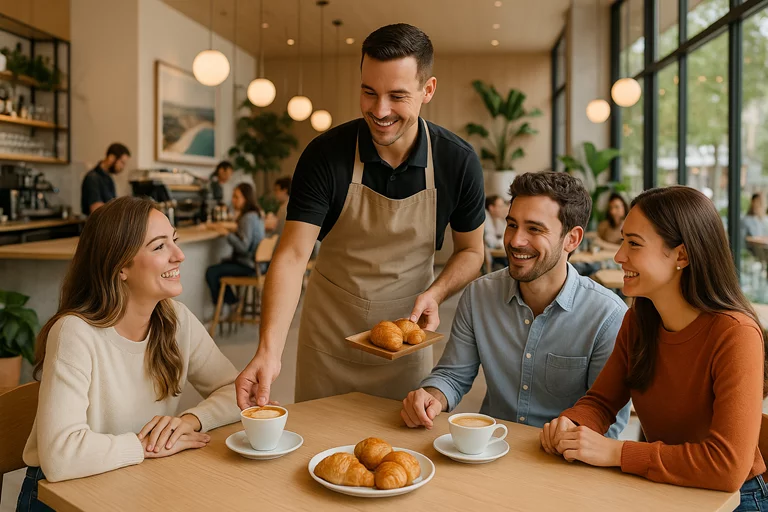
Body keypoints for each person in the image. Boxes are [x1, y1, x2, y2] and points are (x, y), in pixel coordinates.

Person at [235, 23, 486, 408]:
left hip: (405, 345)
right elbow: (291, 255)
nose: (379, 111)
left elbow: (472, 251)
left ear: (428, 90)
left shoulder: (457, 161)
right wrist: (269, 349)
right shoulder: (325, 155)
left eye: (397, 96)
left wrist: (436, 294)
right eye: (369, 92)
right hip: (329, 341)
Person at [540, 186, 767, 506]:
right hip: (663, 487)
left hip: (735, 499)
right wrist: (574, 423)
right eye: (622, 241)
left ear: (682, 255)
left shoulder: (736, 334)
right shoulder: (637, 321)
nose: (619, 255)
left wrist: (617, 452)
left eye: (634, 243)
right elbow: (602, 403)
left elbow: (727, 467)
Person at [17, 197, 241, 510]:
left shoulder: (177, 320)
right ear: (121, 265)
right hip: (63, 496)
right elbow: (60, 457)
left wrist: (191, 420)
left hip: (133, 480)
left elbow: (239, 392)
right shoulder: (75, 333)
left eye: (174, 241)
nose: (179, 255)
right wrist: (145, 444)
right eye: (160, 246)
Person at [401, 171, 629, 437]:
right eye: (512, 224)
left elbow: (607, 423)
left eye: (534, 229)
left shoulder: (608, 317)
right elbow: (453, 375)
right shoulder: (478, 295)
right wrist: (432, 397)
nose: (515, 240)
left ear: (572, 239)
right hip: (490, 451)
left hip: (565, 463)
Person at [205, 183, 266, 311]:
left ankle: (229, 305)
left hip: (249, 266)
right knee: (223, 263)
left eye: (236, 197)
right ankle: (232, 302)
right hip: (259, 265)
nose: (233, 200)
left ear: (246, 199)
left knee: (212, 272)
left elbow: (243, 248)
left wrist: (227, 234)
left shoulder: (247, 218)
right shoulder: (256, 214)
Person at [80, 143, 130, 215]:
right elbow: (96, 209)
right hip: (96, 225)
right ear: (111, 158)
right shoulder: (92, 178)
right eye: (122, 162)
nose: (122, 167)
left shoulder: (108, 178)